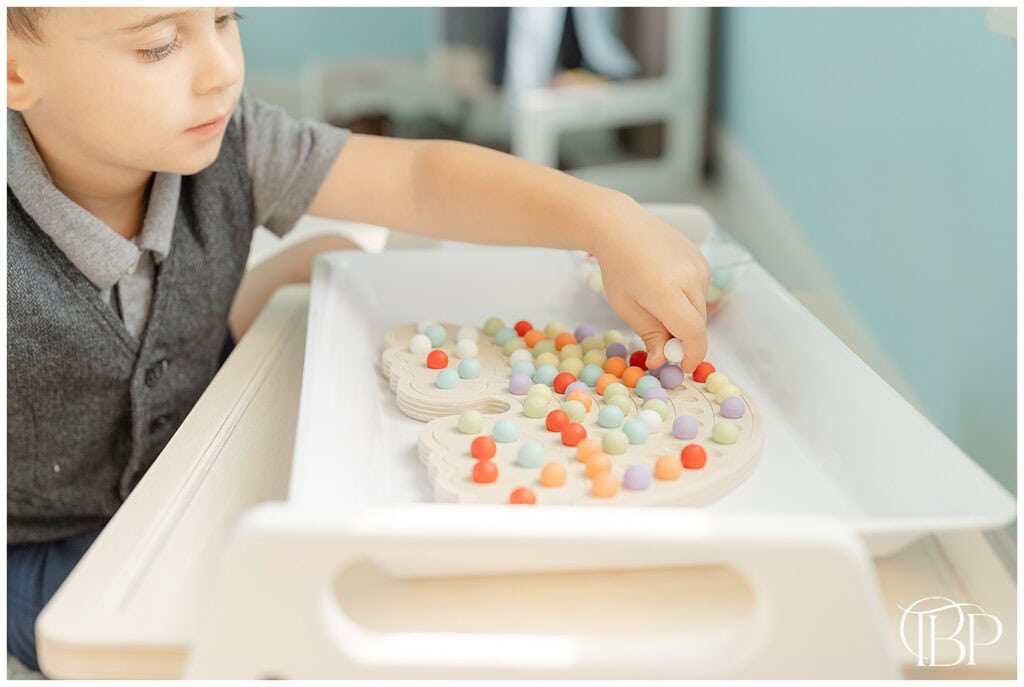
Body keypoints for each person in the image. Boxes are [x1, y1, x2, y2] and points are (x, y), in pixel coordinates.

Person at [6, 7, 710, 672]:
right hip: (52, 535)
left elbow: (417, 179)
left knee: (336, 253)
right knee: (245, 631)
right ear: (13, 68)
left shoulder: (233, 141)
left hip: (179, 394)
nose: (220, 69)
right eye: (159, 44)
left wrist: (604, 219)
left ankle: (229, 323)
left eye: (225, 19)